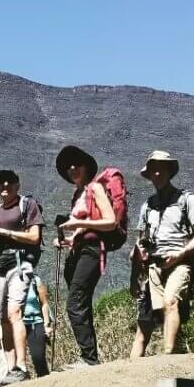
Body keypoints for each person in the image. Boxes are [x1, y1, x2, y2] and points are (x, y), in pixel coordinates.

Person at [130, 150, 194, 357]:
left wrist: (181, 253)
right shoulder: (148, 206)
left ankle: (167, 358)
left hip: (179, 262)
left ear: (169, 171)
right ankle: (128, 374)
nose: (156, 174)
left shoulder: (186, 199)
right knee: (144, 324)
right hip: (153, 268)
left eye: (160, 169)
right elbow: (139, 244)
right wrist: (134, 277)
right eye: (153, 170)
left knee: (170, 301)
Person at [53, 144, 117, 368]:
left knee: (74, 302)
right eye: (68, 166)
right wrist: (67, 239)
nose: (72, 168)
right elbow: (84, 228)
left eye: (76, 164)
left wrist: (78, 223)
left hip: (92, 250)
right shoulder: (78, 194)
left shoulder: (95, 188)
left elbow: (110, 222)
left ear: (87, 167)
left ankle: (89, 359)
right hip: (79, 250)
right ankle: (90, 357)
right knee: (82, 303)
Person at [0, 169, 44, 387]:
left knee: (14, 312)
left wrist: (4, 233)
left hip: (19, 264)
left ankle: (21, 366)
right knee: (2, 319)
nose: (5, 185)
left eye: (10, 182)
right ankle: (10, 370)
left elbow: (35, 237)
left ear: (18, 185)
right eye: (1, 182)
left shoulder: (27, 205)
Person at [22, 278, 52, 378]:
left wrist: (46, 324)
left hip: (35, 323)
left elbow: (44, 303)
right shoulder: (8, 280)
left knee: (38, 358)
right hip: (17, 325)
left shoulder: (35, 280)